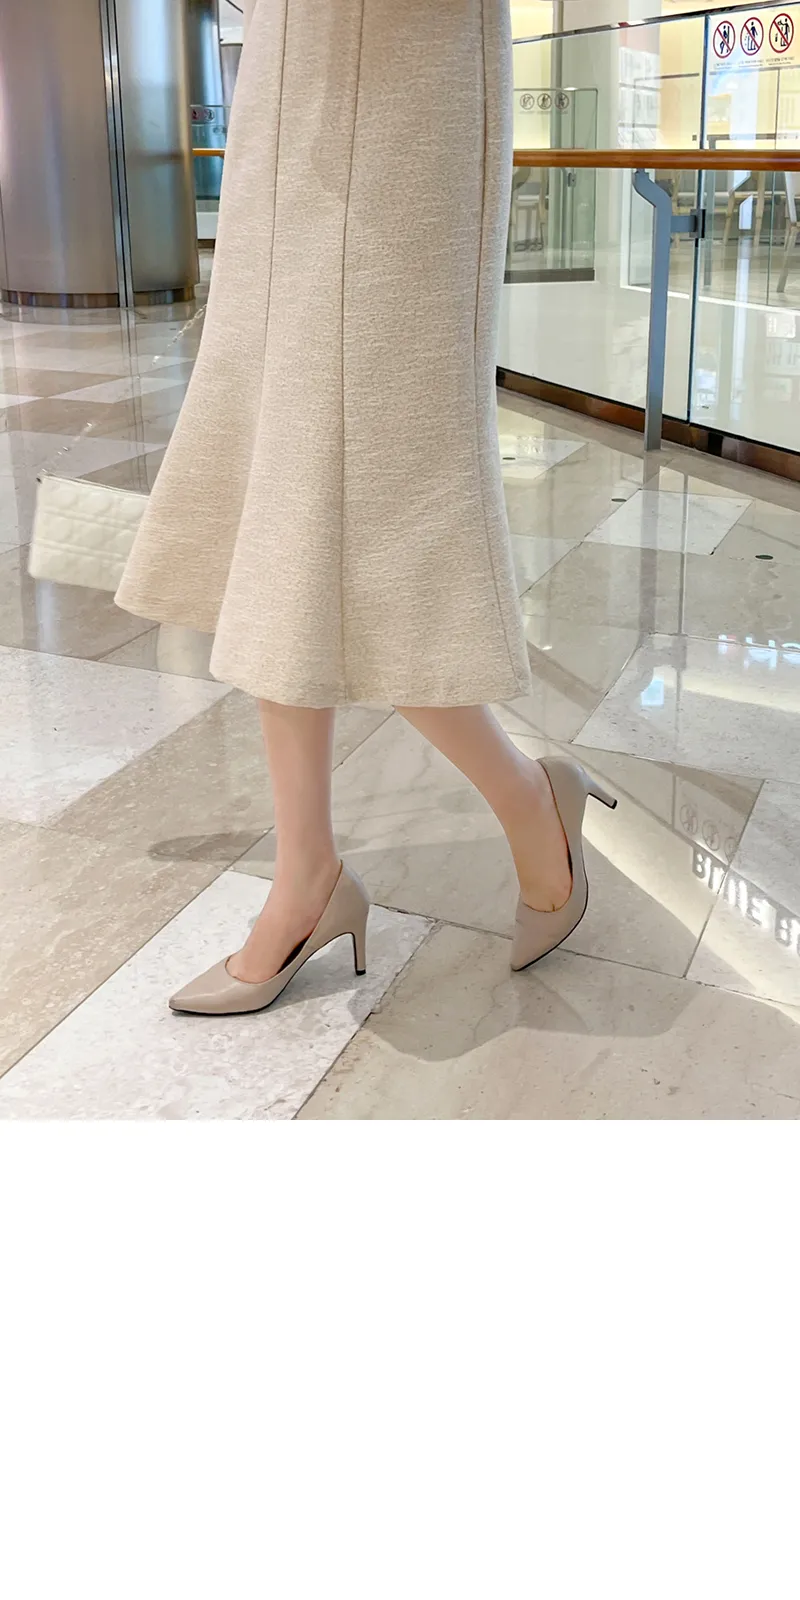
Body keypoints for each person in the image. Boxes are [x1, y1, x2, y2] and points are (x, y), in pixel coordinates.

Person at [116, 0, 614, 1017]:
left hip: (403, 103)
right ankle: (307, 870)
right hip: (289, 93)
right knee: (279, 499)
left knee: (382, 520)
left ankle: (526, 798)